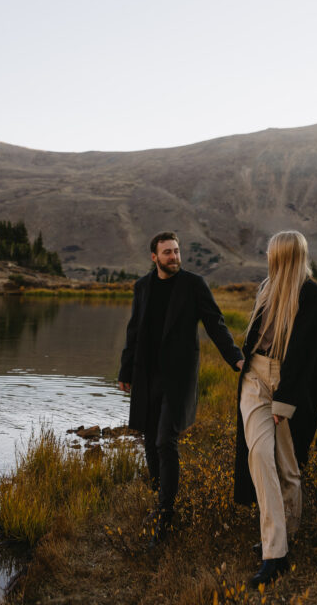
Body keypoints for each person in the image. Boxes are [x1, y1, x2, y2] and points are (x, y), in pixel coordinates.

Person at [118, 231, 244, 544]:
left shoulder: (193, 285)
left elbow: (216, 324)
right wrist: (125, 370)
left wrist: (236, 359)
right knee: (149, 441)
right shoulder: (143, 287)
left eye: (176, 252)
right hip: (147, 376)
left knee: (165, 441)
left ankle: (165, 512)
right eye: (167, 253)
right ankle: (160, 497)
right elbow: (134, 331)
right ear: (154, 257)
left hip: (179, 377)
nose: (174, 257)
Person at [234, 230, 317, 588]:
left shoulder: (309, 293)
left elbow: (305, 353)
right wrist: (241, 361)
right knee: (260, 457)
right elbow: (257, 337)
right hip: (256, 378)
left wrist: (285, 402)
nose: (269, 258)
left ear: (286, 255)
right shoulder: (266, 287)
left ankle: (286, 536)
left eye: (274, 253)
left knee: (288, 466)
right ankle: (275, 553)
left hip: (287, 383)